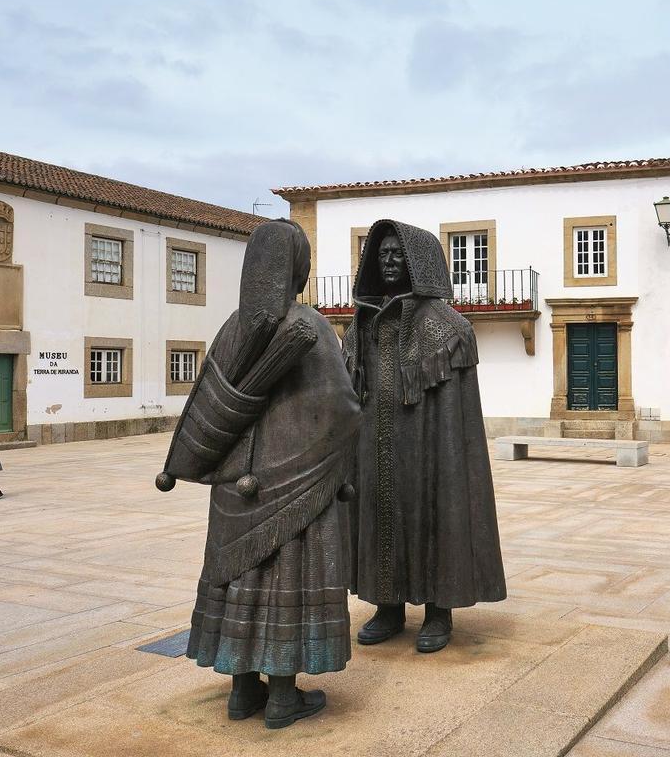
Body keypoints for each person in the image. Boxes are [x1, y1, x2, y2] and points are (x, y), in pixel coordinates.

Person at [155, 219, 360, 729]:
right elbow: (341, 407)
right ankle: (285, 698)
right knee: (288, 581)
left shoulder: (232, 327)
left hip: (235, 489)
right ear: (296, 271)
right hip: (294, 488)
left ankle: (243, 692)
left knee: (240, 583)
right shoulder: (309, 326)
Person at [343, 219, 506, 654]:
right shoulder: (362, 326)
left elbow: (460, 417)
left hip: (430, 448)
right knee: (379, 515)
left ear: (420, 262)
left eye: (399, 254)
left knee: (436, 514)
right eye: (382, 254)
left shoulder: (448, 328)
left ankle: (438, 611)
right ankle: (387, 605)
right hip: (374, 445)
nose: (390, 261)